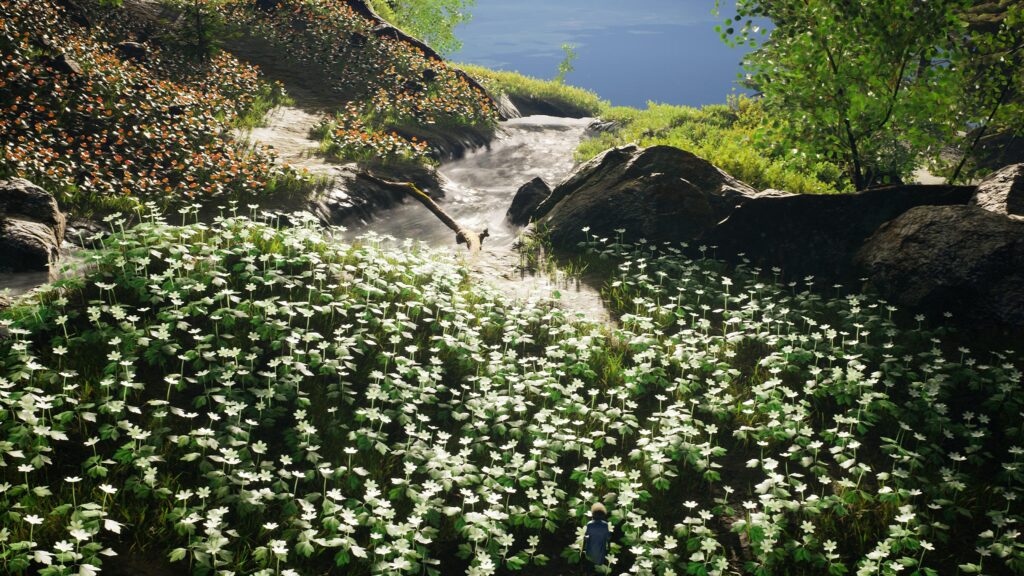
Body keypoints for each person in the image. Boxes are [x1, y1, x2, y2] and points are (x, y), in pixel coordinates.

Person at [582, 502, 611, 574]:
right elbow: (608, 537)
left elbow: (587, 535)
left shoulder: (590, 524)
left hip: (591, 547)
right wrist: (609, 546)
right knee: (599, 565)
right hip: (601, 547)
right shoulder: (605, 525)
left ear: (593, 514)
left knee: (590, 564)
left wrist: (583, 546)